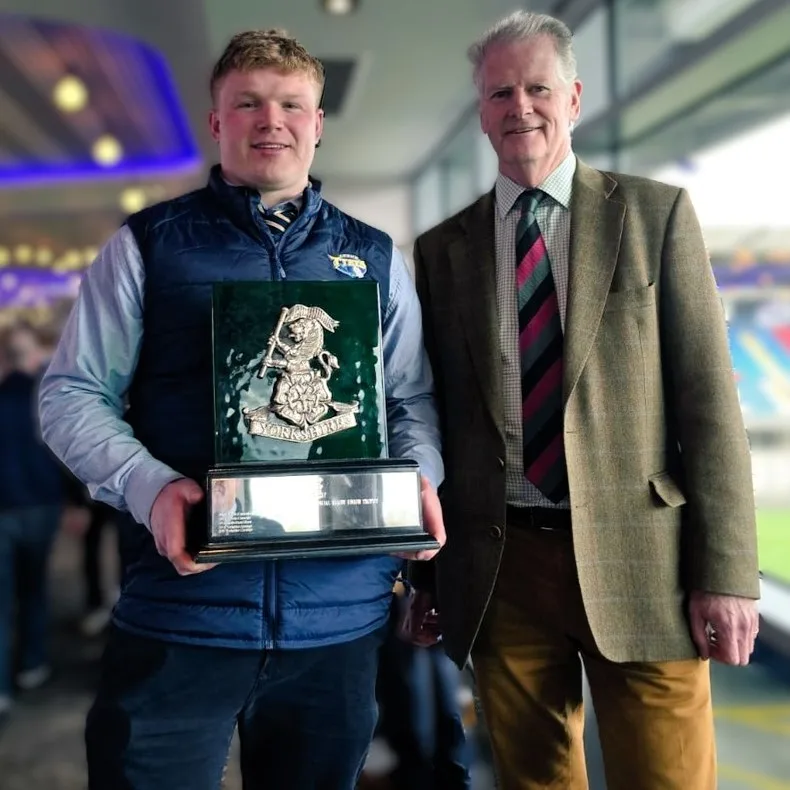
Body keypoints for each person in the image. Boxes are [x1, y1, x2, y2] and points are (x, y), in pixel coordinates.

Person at [39, 28, 444, 790]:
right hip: (182, 610)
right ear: (216, 121)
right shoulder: (148, 246)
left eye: (292, 104)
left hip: (338, 620)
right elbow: (70, 395)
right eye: (248, 103)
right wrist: (150, 485)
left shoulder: (377, 257)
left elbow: (409, 398)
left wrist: (416, 478)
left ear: (319, 122)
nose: (272, 120)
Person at [402, 10, 759, 790]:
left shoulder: (656, 216)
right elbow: (438, 419)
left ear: (574, 98)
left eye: (537, 88)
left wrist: (728, 573)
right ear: (480, 110)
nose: (518, 107)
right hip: (501, 569)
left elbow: (708, 405)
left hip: (645, 563)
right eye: (500, 93)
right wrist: (426, 580)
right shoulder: (440, 252)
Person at [0, 322, 64, 721]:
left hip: (7, 508)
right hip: (43, 504)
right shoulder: (48, 397)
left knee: (6, 598)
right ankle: (33, 662)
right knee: (34, 587)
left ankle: (4, 684)